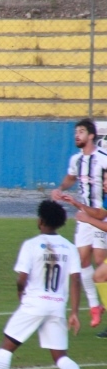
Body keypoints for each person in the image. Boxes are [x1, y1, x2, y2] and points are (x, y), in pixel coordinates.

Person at [0, 200, 97, 369]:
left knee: (7, 347)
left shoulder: (31, 245)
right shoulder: (69, 248)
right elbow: (75, 280)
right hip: (57, 306)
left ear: (41, 221)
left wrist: (20, 294)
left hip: (33, 304)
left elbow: (22, 279)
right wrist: (75, 312)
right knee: (60, 356)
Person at [51, 118, 107, 327]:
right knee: (82, 260)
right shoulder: (76, 160)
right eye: (76, 131)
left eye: (81, 131)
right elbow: (70, 178)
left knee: (101, 262)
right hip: (84, 215)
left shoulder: (103, 158)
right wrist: (61, 189)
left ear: (91, 135)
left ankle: (104, 302)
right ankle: (95, 306)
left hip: (102, 213)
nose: (77, 135)